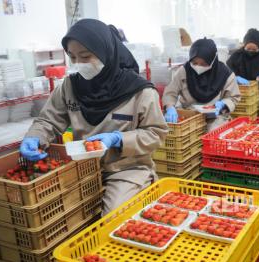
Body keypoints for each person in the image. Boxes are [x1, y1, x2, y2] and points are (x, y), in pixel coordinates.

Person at [19, 19, 168, 215]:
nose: (78, 64)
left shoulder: (139, 91)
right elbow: (48, 120)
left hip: (126, 168)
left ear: (106, 51)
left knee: (113, 216)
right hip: (81, 167)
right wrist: (35, 137)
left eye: (86, 56)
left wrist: (118, 139)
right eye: (72, 57)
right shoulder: (70, 87)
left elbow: (156, 133)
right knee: (50, 210)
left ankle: (144, 184)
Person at [162, 38, 240, 131]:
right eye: (194, 63)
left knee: (214, 132)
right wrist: (170, 107)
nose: (198, 67)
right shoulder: (185, 71)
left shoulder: (225, 74)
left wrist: (224, 104)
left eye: (204, 64)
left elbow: (233, 97)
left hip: (215, 116)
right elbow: (170, 92)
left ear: (213, 60)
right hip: (189, 114)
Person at [227, 28, 259, 118]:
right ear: (244, 45)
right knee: (237, 112)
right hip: (240, 91)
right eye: (248, 48)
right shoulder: (236, 56)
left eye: (254, 50)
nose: (250, 51)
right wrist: (235, 78)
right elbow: (227, 74)